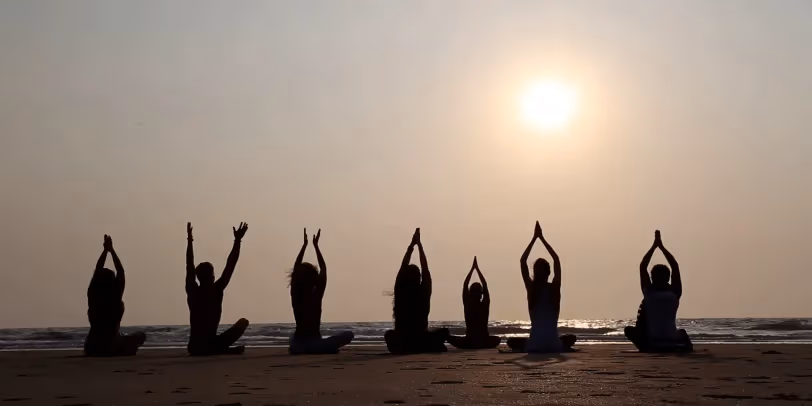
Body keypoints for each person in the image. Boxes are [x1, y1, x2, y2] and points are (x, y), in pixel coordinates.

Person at [507, 222, 576, 353]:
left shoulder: (531, 289)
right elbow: (556, 260)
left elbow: (522, 261)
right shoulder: (555, 288)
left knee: (511, 341)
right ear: (548, 272)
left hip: (534, 345)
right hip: (554, 345)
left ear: (534, 272)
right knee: (571, 338)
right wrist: (542, 238)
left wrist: (534, 238)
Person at [185, 222, 250, 356]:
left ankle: (222, 350)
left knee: (218, 340)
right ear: (213, 276)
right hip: (209, 344)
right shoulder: (216, 289)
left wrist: (190, 240)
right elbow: (231, 265)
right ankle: (223, 350)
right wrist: (237, 241)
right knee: (243, 323)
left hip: (194, 347)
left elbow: (189, 265)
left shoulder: (193, 291)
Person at [624, 230, 693, 353]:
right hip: (672, 339)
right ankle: (684, 347)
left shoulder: (649, 292)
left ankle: (652, 347)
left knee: (629, 330)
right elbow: (675, 266)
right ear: (668, 278)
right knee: (682, 332)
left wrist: (654, 246)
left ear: (652, 278)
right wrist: (662, 247)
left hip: (652, 341)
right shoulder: (675, 293)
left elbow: (643, 265)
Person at [288, 229, 354, 354]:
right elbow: (323, 268)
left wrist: (306, 246)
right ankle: (322, 348)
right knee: (348, 335)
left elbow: (297, 270)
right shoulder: (314, 296)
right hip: (312, 342)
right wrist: (315, 246)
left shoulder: (297, 296)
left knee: (297, 342)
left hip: (298, 343)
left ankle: (313, 348)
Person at [384, 228, 449, 354]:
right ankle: (427, 347)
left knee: (389, 334)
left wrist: (411, 246)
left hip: (404, 341)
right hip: (420, 339)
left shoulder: (400, 292)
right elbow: (425, 268)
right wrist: (419, 245)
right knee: (444, 332)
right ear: (419, 278)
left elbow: (402, 269)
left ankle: (411, 347)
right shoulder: (423, 292)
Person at [84, 235, 146, 356]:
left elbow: (97, 271)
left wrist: (105, 251)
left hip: (91, 346)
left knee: (129, 338)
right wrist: (111, 250)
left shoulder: (93, 297)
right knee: (140, 336)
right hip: (110, 346)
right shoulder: (114, 299)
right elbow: (121, 272)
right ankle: (125, 348)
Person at [448, 257, 501, 349]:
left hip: (473, 340)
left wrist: (473, 269)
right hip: (478, 340)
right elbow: (484, 285)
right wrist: (476, 269)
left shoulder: (470, 304)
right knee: (496, 340)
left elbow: (466, 285)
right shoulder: (480, 304)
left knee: (497, 339)